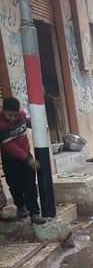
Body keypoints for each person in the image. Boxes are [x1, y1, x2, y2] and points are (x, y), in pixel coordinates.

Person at [0, 96, 45, 225]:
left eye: (15, 115)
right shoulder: (1, 125)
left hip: (26, 156)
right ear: (3, 111)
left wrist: (36, 124)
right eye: (9, 115)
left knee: (30, 185)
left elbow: (27, 122)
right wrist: (27, 159)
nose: (12, 118)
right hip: (10, 160)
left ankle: (34, 213)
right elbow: (9, 146)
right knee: (15, 186)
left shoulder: (22, 115)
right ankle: (20, 207)